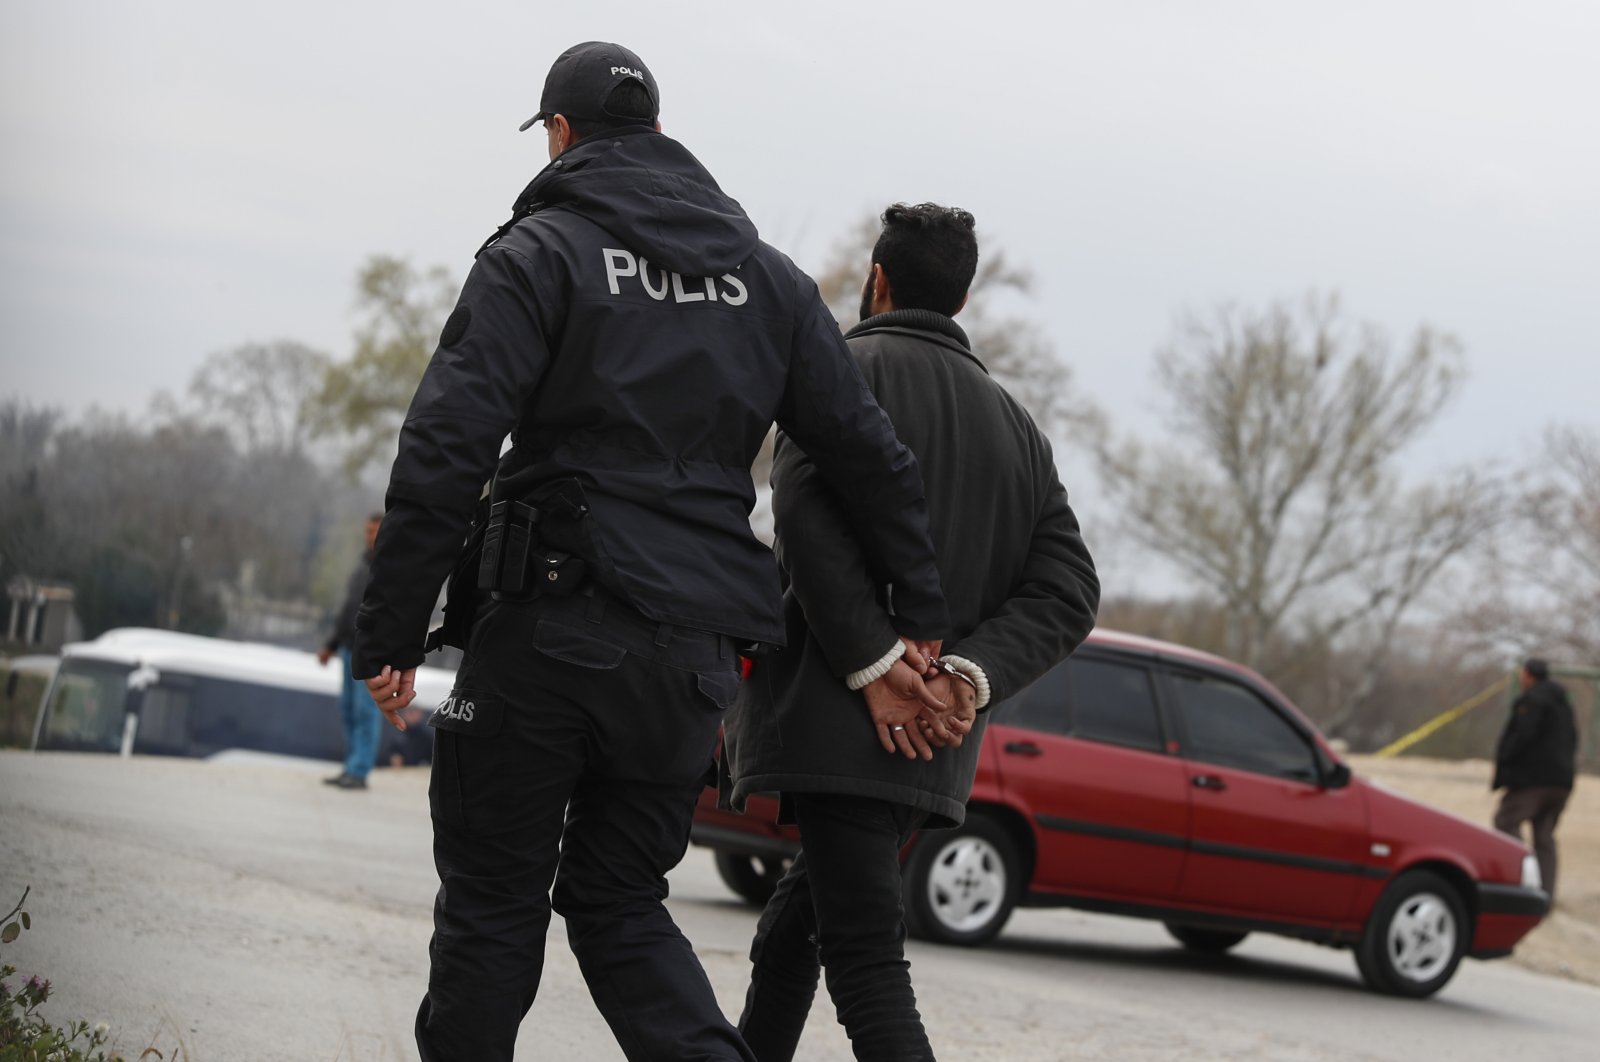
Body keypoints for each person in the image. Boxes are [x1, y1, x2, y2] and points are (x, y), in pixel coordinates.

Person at [352, 43, 952, 1062]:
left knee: (495, 907)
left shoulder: (538, 255)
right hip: (690, 662)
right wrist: (919, 615)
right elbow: (868, 455)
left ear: (559, 134)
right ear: (665, 136)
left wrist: (390, 626)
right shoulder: (768, 282)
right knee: (620, 900)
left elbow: (448, 443)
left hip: (542, 635)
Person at [723, 203, 1101, 1061]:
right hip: (933, 740)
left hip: (844, 726)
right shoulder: (1018, 428)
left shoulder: (839, 371)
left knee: (864, 964)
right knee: (793, 937)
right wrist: (965, 677)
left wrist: (876, 666)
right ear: (961, 300)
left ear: (878, 280)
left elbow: (806, 521)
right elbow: (1070, 587)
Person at [1493, 656, 1578, 899]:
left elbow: (1521, 737)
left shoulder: (1532, 701)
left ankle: (1518, 883)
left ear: (1528, 675)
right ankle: (1545, 894)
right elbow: (1574, 740)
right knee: (1544, 835)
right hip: (1562, 781)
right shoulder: (1563, 704)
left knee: (1506, 820)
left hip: (1533, 780)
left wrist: (1505, 765)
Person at [317, 512, 382, 790]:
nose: (369, 537)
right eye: (367, 531)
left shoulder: (388, 565)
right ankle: (350, 766)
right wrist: (331, 644)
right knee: (348, 711)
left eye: (374, 532)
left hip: (369, 652)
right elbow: (348, 608)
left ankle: (359, 770)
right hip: (347, 647)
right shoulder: (362, 564)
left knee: (366, 712)